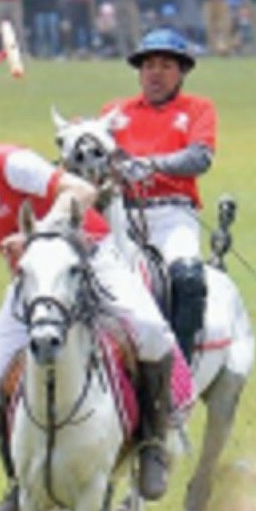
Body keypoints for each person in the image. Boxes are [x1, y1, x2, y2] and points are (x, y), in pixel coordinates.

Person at [0, 107, 179, 511]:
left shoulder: (10, 163)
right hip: (36, 283)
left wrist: (37, 233)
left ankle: (154, 444)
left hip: (90, 255)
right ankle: (16, 482)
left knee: (154, 333)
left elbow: (80, 190)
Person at [100, 28, 217, 366]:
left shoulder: (198, 109)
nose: (156, 73)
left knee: (189, 278)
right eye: (149, 65)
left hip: (172, 215)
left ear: (181, 72)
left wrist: (150, 165)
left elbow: (200, 157)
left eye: (166, 65)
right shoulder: (114, 111)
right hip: (120, 214)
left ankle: (178, 369)